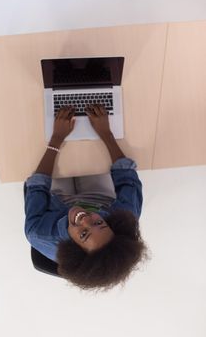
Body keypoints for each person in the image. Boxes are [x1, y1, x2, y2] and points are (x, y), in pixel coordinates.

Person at [24, 104, 148, 292]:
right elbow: (127, 177)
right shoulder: (125, 218)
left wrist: (56, 139)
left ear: (72, 248)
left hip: (56, 202)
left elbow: (36, 187)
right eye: (100, 224)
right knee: (90, 159)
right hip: (99, 198)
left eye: (83, 234)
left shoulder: (39, 233)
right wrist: (105, 133)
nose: (86, 218)